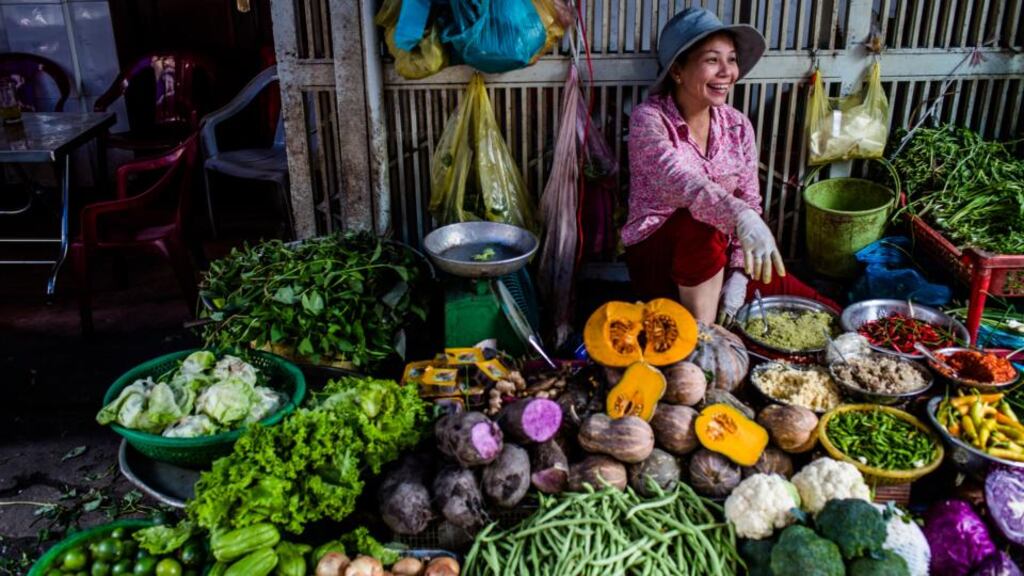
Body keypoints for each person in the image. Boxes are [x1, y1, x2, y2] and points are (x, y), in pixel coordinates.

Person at [624, 7, 837, 325]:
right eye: (712, 60)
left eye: (732, 59)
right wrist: (740, 217)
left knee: (818, 309)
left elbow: (750, 198)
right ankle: (702, 344)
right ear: (678, 71)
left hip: (719, 258)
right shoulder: (649, 120)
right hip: (660, 259)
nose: (727, 71)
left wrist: (738, 271)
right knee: (700, 222)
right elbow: (680, 182)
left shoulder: (738, 126)